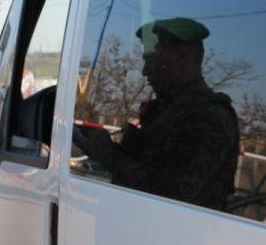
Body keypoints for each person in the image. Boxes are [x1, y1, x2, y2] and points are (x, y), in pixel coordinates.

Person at [86, 17, 240, 211]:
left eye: (151, 59)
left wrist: (110, 158)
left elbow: (174, 194)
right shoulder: (170, 109)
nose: (144, 71)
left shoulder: (208, 117)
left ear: (181, 56)